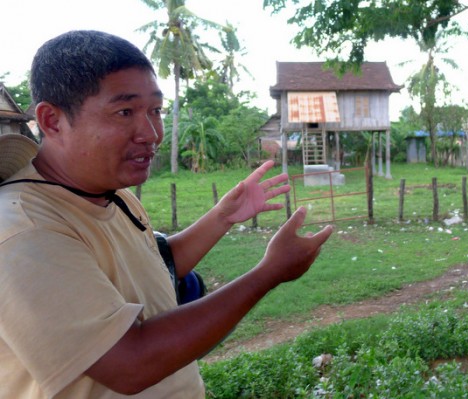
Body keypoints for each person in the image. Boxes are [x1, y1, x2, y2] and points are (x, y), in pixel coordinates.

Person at [0, 30, 333, 398]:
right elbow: (129, 363)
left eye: (155, 111)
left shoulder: (113, 195)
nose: (151, 132)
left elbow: (154, 266)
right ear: (52, 121)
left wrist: (223, 216)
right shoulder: (21, 232)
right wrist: (268, 274)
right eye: (125, 112)